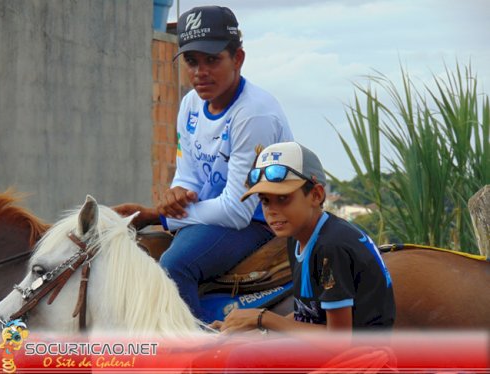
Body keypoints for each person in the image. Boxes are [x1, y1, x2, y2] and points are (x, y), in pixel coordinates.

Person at [114, 6, 293, 322]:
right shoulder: (190, 104)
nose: (200, 72)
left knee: (173, 268)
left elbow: (237, 210)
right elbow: (189, 175)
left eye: (212, 60)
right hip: (214, 217)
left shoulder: (253, 114)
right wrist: (178, 193)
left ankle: (199, 356)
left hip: (260, 219)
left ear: (237, 59)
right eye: (192, 61)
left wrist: (160, 215)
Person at [212, 141, 395, 334]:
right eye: (265, 201)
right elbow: (308, 317)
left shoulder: (331, 247)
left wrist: (262, 318)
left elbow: (339, 341)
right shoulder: (296, 237)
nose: (272, 211)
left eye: (283, 198)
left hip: (358, 357)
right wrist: (254, 329)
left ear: (316, 195)